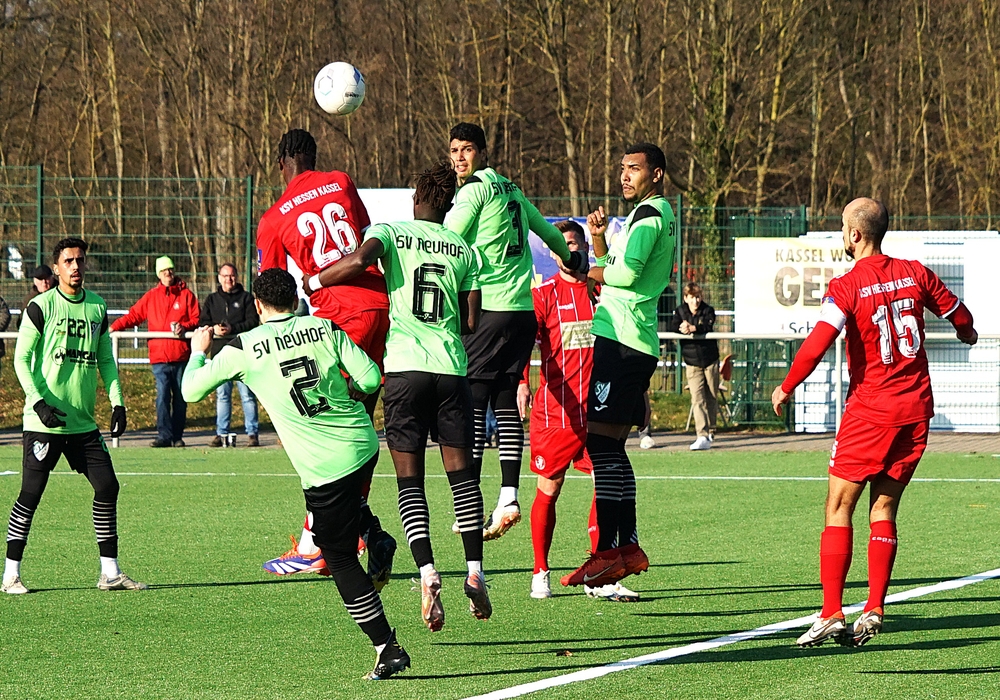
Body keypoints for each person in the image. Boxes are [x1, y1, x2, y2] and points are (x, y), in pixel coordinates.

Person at [181, 268, 409, 680]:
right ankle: (375, 535)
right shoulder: (324, 326)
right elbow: (372, 377)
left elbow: (190, 391)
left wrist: (200, 351)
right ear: (294, 300)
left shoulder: (243, 346)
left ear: (257, 305)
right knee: (344, 505)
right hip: (362, 442)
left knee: (337, 557)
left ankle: (386, 647)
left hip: (324, 463)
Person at [772, 198, 978, 648]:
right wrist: (967, 333)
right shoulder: (916, 273)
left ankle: (831, 612)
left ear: (854, 234)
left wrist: (786, 386)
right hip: (916, 412)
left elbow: (818, 343)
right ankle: (874, 608)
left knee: (838, 507)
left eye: (842, 228)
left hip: (870, 413)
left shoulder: (847, 285)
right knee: (883, 509)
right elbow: (961, 316)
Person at [304, 161, 490, 631]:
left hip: (406, 370)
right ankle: (474, 571)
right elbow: (471, 322)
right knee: (462, 477)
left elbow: (358, 262)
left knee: (411, 481)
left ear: (415, 198)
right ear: (448, 204)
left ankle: (427, 573)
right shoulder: (465, 250)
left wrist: (317, 281)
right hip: (451, 370)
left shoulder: (390, 231)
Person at [256, 129, 395, 588]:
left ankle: (317, 544)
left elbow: (274, 287)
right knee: (358, 426)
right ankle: (349, 536)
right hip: (381, 306)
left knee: (324, 433)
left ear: (281, 162)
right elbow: (365, 245)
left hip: (341, 317)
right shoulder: (341, 180)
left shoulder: (274, 217)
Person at [446, 122, 587, 540]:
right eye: (454, 150)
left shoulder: (474, 191)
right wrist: (572, 260)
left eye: (467, 149)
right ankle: (508, 495)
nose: (459, 157)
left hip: (488, 311)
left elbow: (446, 239)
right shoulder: (512, 189)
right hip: (522, 313)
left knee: (473, 407)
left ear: (483, 152)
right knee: (506, 403)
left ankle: (469, 504)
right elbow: (549, 233)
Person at [562, 143, 677, 588]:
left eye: (634, 168)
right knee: (612, 446)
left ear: (656, 174)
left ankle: (607, 553)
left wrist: (583, 269)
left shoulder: (649, 216)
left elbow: (624, 276)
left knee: (601, 446)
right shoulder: (651, 214)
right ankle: (627, 547)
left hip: (623, 341)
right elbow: (619, 266)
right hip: (633, 339)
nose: (625, 175)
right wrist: (596, 243)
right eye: (623, 168)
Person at [3, 237, 142, 595]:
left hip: (82, 423)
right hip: (44, 421)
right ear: (56, 268)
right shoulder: (41, 306)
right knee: (30, 494)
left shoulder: (97, 307)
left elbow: (106, 360)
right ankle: (10, 575)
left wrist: (118, 403)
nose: (76, 266)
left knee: (107, 487)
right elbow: (20, 360)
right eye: (68, 261)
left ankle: (110, 573)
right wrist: (38, 403)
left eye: (80, 260)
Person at [518, 220, 640, 603]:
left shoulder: (600, 290)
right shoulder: (543, 295)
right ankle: (540, 570)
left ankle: (599, 571)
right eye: (562, 245)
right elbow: (523, 343)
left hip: (599, 410)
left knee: (605, 484)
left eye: (575, 243)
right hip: (556, 414)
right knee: (549, 489)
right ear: (553, 253)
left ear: (585, 248)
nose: (569, 250)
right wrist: (521, 382)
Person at [111, 256, 199, 448]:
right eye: (164, 270)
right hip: (159, 357)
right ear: (158, 274)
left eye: (170, 269)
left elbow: (196, 318)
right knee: (162, 397)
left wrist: (184, 326)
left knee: (181, 399)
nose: (168, 273)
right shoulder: (151, 296)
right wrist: (114, 327)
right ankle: (164, 436)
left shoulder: (187, 295)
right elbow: (134, 315)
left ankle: (177, 436)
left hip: (181, 356)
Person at [198, 263, 260, 447]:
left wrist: (234, 328)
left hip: (242, 353)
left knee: (247, 395)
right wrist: (214, 328)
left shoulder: (246, 298)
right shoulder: (212, 299)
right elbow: (203, 322)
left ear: (237, 277)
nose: (229, 279)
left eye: (232, 275)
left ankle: (252, 433)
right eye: (225, 276)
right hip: (220, 355)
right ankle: (221, 433)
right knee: (222, 395)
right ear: (219, 278)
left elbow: (253, 321)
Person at [671, 281, 720, 450]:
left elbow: (707, 325)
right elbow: (673, 325)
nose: (695, 301)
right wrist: (682, 328)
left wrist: (694, 328)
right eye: (692, 298)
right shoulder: (680, 311)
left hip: (710, 360)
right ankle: (702, 435)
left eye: (698, 297)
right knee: (697, 399)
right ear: (686, 298)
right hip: (692, 362)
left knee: (711, 396)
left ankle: (712, 429)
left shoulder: (708, 310)